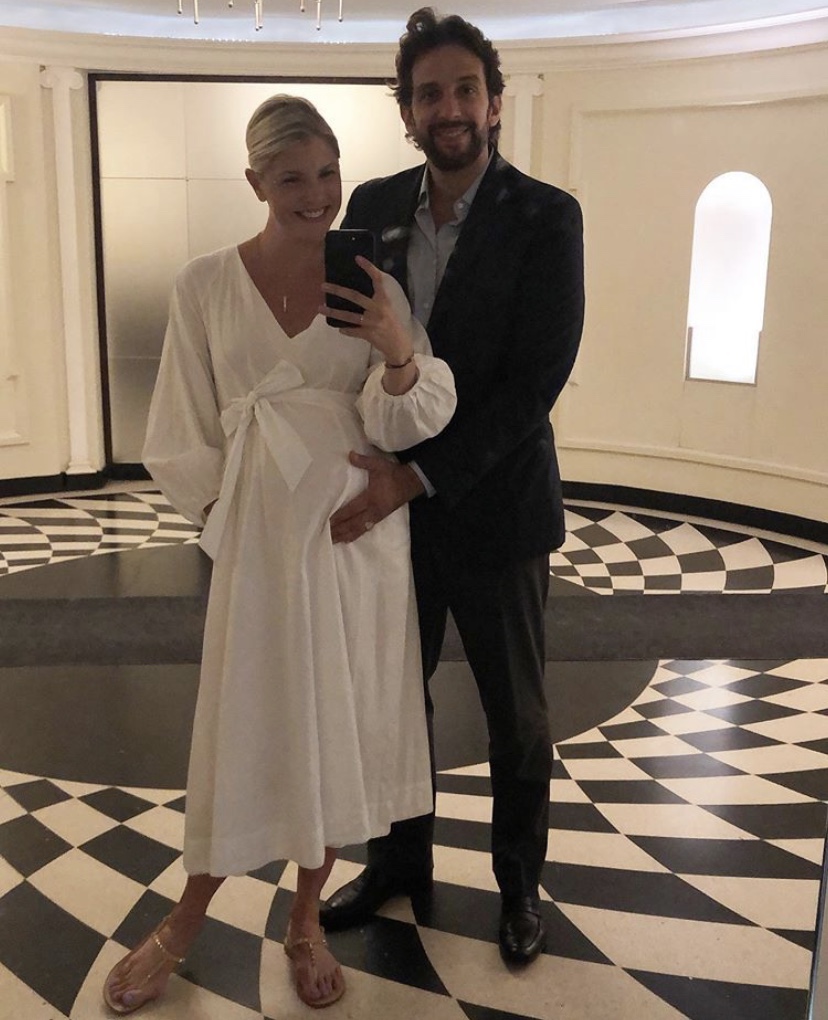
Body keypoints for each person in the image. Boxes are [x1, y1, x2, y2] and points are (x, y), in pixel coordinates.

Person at [101, 94, 456, 1014]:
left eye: (328, 173)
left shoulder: (372, 282)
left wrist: (396, 349)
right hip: (260, 546)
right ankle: (186, 918)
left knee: (336, 723)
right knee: (247, 723)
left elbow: (402, 421)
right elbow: (178, 425)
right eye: (292, 177)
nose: (316, 194)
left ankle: (304, 919)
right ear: (254, 181)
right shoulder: (204, 284)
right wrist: (232, 515)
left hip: (354, 538)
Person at [320, 8, 585, 966]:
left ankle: (518, 886)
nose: (450, 108)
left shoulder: (547, 216)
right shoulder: (375, 204)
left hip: (499, 508)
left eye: (465, 89)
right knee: (396, 703)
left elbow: (534, 383)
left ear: (494, 102)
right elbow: (346, 348)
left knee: (518, 717)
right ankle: (398, 862)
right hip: (394, 514)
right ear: (408, 111)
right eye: (429, 93)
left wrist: (419, 477)